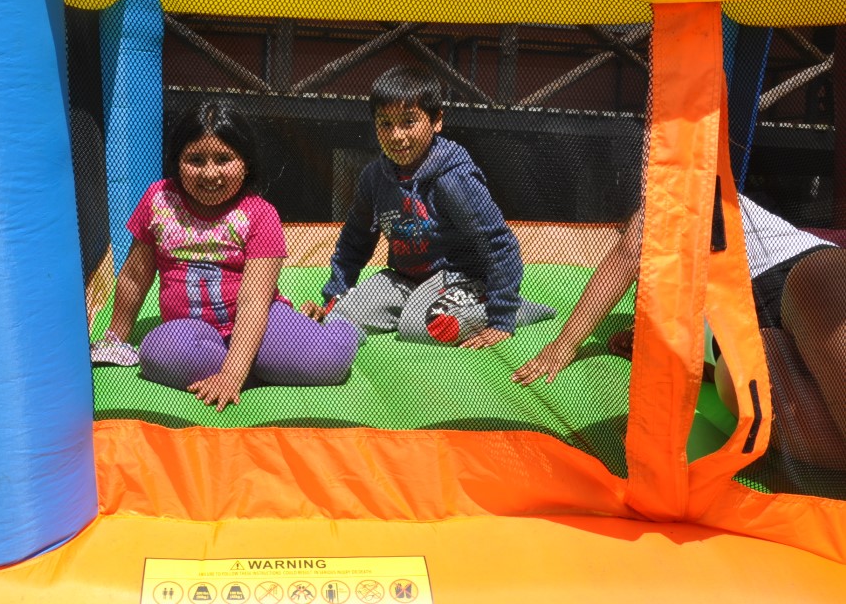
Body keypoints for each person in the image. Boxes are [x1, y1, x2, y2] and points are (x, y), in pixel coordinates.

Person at [512, 194, 846, 470]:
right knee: (736, 381)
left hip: (789, 268)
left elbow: (627, 254)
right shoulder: (686, 312)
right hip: (745, 324)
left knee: (813, 285)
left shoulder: (689, 191)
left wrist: (566, 342)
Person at [91, 100, 362, 411]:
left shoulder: (259, 214)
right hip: (192, 331)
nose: (210, 173)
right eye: (195, 160)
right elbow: (135, 275)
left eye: (223, 159)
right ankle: (255, 366)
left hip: (259, 323)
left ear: (245, 163)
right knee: (157, 353)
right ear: (177, 161)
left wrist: (232, 374)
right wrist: (116, 337)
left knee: (327, 362)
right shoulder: (159, 201)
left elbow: (254, 301)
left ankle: (343, 327)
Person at [302, 65, 549, 348]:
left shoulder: (454, 178)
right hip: (405, 280)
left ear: (436, 121)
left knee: (422, 326)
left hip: (460, 279)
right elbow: (353, 242)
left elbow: (499, 243)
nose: (396, 135)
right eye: (385, 123)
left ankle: (514, 309)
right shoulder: (374, 178)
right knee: (341, 316)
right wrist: (333, 299)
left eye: (409, 122)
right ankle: (408, 307)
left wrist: (501, 318)